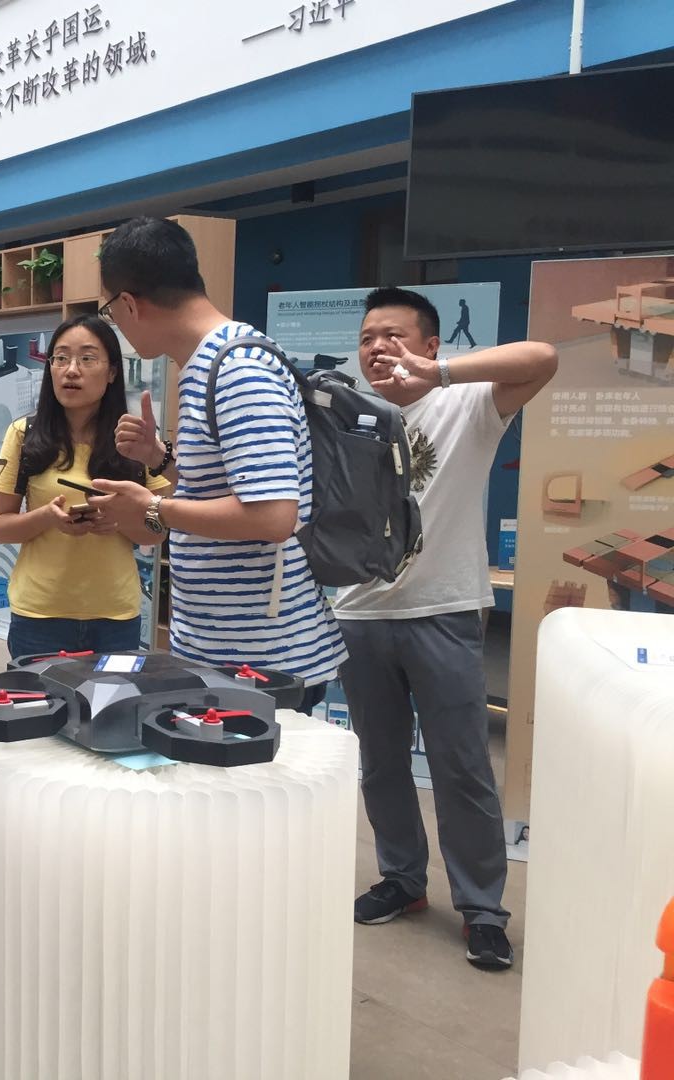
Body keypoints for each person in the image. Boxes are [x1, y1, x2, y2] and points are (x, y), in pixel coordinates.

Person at [334, 286, 557, 971]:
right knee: (380, 763)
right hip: (358, 614)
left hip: (444, 611)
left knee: (462, 767)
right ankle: (402, 879)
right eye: (367, 337)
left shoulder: (467, 404)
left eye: (393, 335)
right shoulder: (346, 416)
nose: (377, 347)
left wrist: (442, 374)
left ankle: (483, 909)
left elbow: (543, 358)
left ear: (430, 345)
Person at [87, 216, 347, 709]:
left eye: (110, 311)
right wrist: (159, 458)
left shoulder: (238, 370)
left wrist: (151, 508)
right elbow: (228, 486)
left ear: (129, 304)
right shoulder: (210, 362)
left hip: (263, 660)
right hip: (226, 647)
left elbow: (273, 516)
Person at [0, 314, 169, 658]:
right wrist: (47, 517)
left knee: (111, 697)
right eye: (61, 358)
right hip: (39, 615)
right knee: (40, 696)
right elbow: (0, 527)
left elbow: (157, 532)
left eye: (87, 358)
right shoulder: (23, 435)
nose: (71, 370)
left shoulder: (135, 440)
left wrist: (119, 521)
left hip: (115, 616)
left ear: (112, 371)